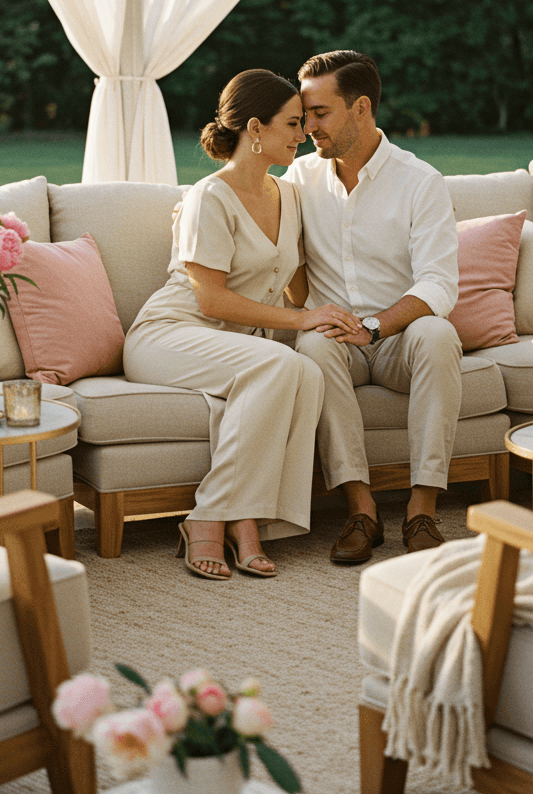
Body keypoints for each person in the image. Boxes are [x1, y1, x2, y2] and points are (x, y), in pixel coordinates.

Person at [123, 69, 361, 580]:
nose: (303, 134)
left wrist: (329, 317)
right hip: (170, 334)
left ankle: (248, 521)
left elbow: (293, 282)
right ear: (255, 127)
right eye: (293, 123)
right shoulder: (209, 196)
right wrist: (302, 318)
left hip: (237, 346)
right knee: (280, 363)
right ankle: (212, 516)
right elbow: (211, 300)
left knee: (306, 370)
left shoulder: (288, 195)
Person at [284, 50, 462, 564]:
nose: (307, 126)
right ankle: (362, 512)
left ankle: (421, 510)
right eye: (305, 113)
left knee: (439, 333)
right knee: (312, 346)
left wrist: (376, 325)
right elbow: (288, 276)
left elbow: (439, 285)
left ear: (361, 108)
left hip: (396, 339)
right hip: (334, 338)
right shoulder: (298, 179)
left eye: (320, 113)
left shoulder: (419, 181)